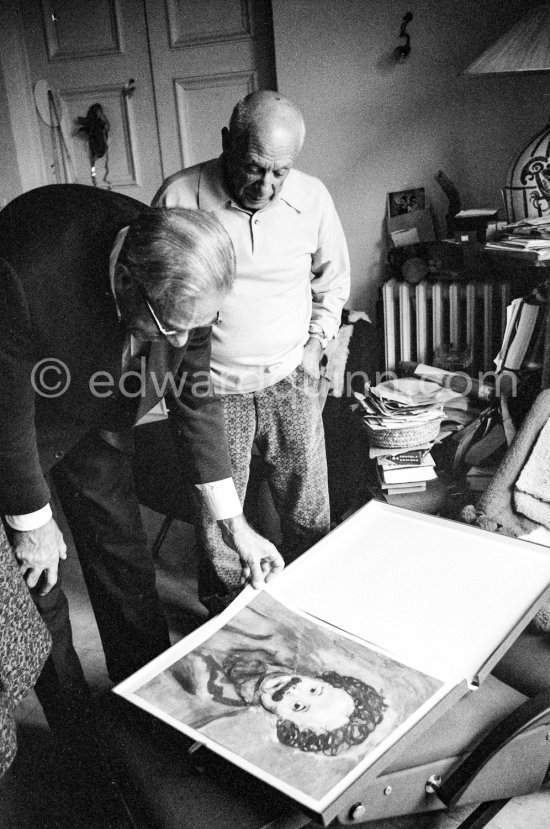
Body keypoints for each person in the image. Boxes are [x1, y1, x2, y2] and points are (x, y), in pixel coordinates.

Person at [0, 183, 283, 700]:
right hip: (19, 421)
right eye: (170, 328)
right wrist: (31, 520)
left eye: (193, 329)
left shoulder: (189, 282)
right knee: (36, 578)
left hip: (98, 408)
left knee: (123, 557)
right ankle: (77, 726)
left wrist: (233, 522)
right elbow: (6, 412)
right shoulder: (22, 272)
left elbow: (195, 400)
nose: (180, 343)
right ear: (127, 279)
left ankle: (147, 694)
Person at [154, 90, 350, 611]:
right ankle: (226, 614)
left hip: (292, 375)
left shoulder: (313, 198)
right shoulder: (179, 197)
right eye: (254, 167)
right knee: (221, 517)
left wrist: (317, 345)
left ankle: (317, 603)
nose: (265, 185)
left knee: (308, 504)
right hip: (213, 388)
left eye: (279, 173)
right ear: (227, 142)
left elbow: (334, 282)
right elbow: (161, 295)